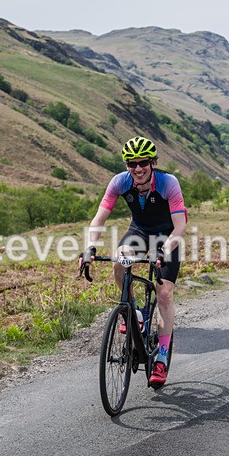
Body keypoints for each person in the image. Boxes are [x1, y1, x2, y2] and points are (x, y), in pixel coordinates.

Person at [79, 136, 187, 388]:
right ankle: (134, 312)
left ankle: (161, 356)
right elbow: (99, 218)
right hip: (138, 232)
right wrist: (89, 248)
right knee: (119, 261)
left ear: (153, 162)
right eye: (132, 163)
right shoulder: (119, 182)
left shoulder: (168, 183)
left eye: (143, 163)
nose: (137, 169)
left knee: (164, 295)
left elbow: (180, 226)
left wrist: (164, 251)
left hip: (166, 236)